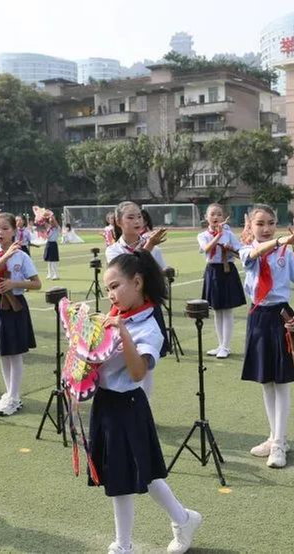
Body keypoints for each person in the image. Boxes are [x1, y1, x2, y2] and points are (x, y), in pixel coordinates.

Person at [93, 250, 202, 554]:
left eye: (115, 286)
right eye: (107, 289)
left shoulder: (148, 327)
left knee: (142, 474)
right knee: (126, 475)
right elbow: (98, 361)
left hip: (128, 405)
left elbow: (139, 372)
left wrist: (122, 333)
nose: (110, 294)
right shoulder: (117, 317)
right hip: (105, 405)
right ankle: (182, 519)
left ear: (137, 282)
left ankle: (126, 545)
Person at [239, 204, 294, 468]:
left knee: (281, 383)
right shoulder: (246, 250)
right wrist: (280, 240)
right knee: (266, 381)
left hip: (281, 317)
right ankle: (274, 437)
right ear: (250, 225)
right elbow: (256, 252)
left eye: (271, 222)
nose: (266, 228)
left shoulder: (286, 254)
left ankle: (279, 444)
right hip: (258, 317)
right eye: (260, 223)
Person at [107, 201, 168, 397]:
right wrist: (148, 246)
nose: (137, 221)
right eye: (130, 217)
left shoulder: (154, 248)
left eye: (139, 216)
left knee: (146, 362)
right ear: (118, 222)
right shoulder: (113, 250)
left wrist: (150, 247)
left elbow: (157, 276)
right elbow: (130, 268)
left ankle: (145, 405)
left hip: (147, 309)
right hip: (124, 311)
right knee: (123, 357)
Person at [0, 212, 41, 416]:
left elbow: (36, 283)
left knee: (15, 353)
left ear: (14, 231)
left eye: (5, 228)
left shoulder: (22, 256)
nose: (1, 232)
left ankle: (15, 397)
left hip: (16, 305)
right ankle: (9, 393)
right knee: (3, 352)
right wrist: (6, 255)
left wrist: (15, 283)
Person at [197, 203, 246, 359]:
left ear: (224, 217)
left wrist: (230, 247)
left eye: (219, 214)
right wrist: (218, 236)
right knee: (217, 310)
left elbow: (240, 252)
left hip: (227, 271)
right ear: (206, 218)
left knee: (227, 310)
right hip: (213, 271)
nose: (215, 217)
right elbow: (205, 249)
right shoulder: (202, 235)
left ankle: (226, 346)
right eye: (212, 214)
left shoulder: (229, 233)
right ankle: (220, 345)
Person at [43, 212, 61, 280]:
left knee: (54, 261)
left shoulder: (57, 228)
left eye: (52, 221)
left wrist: (51, 215)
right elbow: (43, 222)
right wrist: (42, 215)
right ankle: (50, 274)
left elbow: (55, 223)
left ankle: (56, 274)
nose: (51, 222)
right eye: (50, 221)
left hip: (53, 244)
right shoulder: (49, 228)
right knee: (49, 261)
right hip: (48, 244)